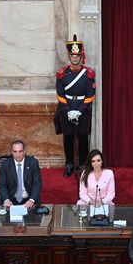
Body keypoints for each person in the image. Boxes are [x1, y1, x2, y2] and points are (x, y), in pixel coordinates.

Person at [54, 35, 96, 177]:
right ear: (69, 56)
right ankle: (69, 164)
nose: (75, 58)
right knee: (68, 137)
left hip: (82, 109)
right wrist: (67, 110)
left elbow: (91, 94)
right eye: (73, 55)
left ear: (81, 56)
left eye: (77, 56)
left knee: (83, 137)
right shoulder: (62, 73)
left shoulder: (88, 73)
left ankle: (83, 164)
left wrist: (79, 111)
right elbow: (60, 94)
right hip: (67, 108)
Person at [0, 140, 41, 209]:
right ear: (11, 152)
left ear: (24, 151)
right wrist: (6, 199)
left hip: (28, 199)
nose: (18, 155)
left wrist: (31, 200)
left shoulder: (33, 163)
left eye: (20, 151)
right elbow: (2, 185)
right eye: (15, 151)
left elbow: (37, 183)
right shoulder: (5, 164)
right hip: (11, 200)